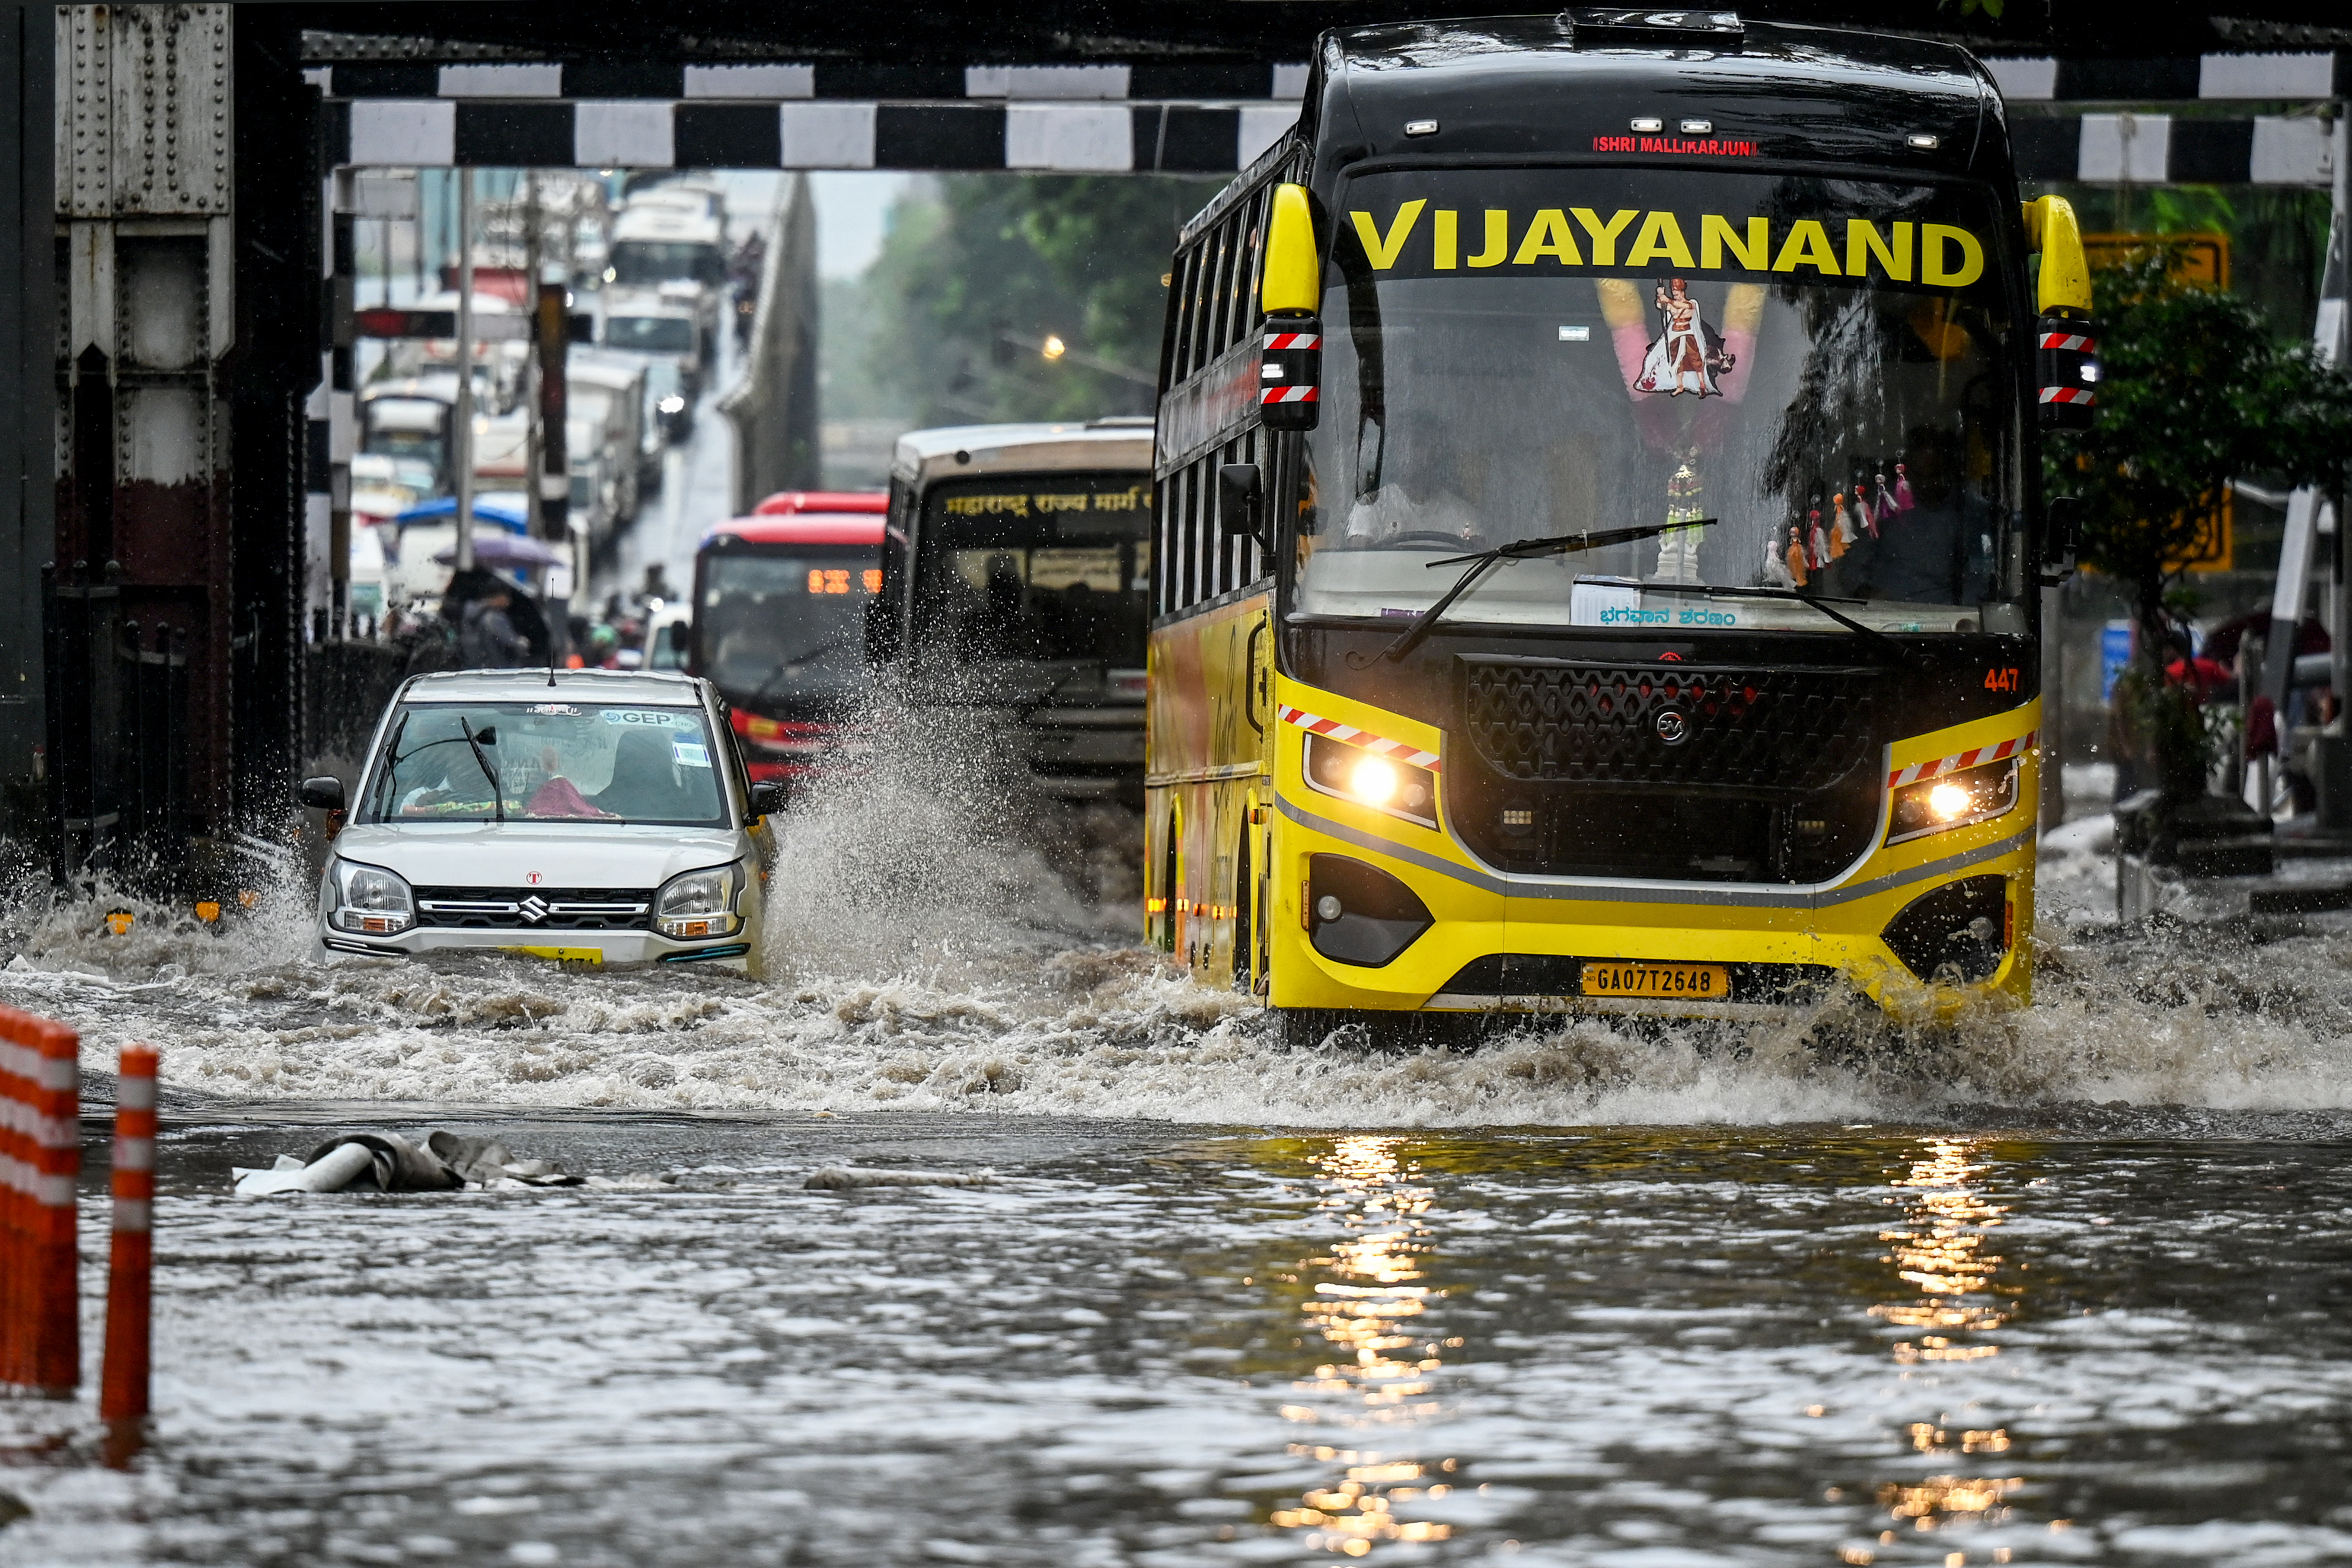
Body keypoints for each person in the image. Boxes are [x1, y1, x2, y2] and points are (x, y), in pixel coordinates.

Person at [459, 584, 532, 668]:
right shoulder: (493, 618)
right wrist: (522, 643)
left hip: (473, 664)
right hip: (497, 669)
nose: (510, 601)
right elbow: (512, 642)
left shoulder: (470, 613)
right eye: (507, 597)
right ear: (499, 597)